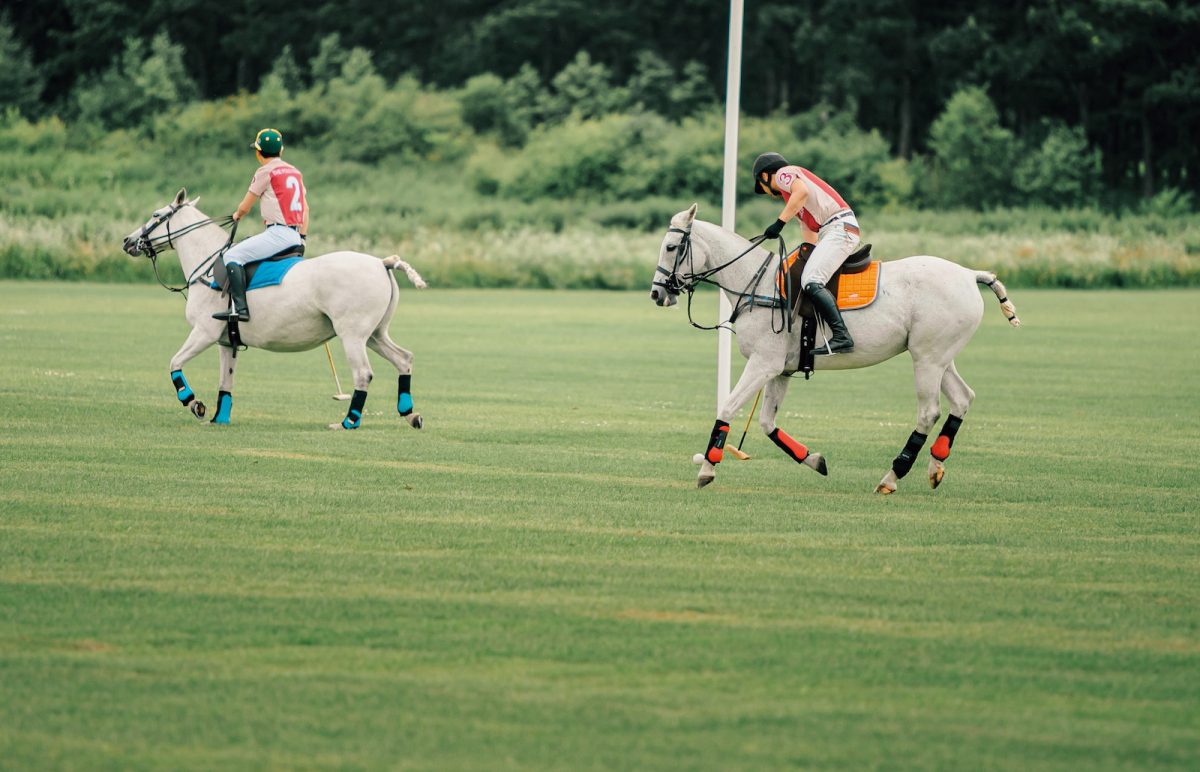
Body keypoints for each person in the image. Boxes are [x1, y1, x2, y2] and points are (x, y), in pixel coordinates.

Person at [752, 152, 858, 354]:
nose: (765, 191)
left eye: (761, 186)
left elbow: (801, 193)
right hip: (832, 230)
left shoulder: (784, 173)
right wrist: (806, 250)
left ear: (766, 176)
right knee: (806, 273)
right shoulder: (791, 199)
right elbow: (808, 230)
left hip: (839, 227)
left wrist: (779, 223)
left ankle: (842, 336)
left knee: (811, 279)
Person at [213, 128, 308, 322]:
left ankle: (240, 309)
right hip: (296, 235)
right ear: (281, 151)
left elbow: (246, 206)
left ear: (258, 152)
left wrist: (237, 214)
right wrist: (303, 238)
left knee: (232, 255)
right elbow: (306, 208)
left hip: (278, 233)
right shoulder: (295, 172)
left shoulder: (265, 171)